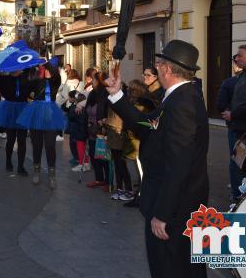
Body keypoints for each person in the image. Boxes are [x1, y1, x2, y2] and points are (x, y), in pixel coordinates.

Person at [105, 39, 209, 278]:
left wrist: (162, 214)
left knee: (172, 268)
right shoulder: (176, 96)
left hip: (175, 209)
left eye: (159, 63)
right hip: (174, 204)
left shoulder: (183, 102)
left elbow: (179, 164)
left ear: (167, 69)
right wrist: (117, 95)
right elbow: (147, 124)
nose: (157, 66)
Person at [17, 63, 66, 189]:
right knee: (37, 146)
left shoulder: (55, 81)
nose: (45, 71)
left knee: (50, 146)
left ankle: (52, 175)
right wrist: (26, 69)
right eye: (44, 69)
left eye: (47, 69)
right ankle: (37, 171)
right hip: (36, 115)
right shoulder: (36, 80)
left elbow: (56, 78)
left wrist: (45, 64)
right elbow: (25, 87)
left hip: (50, 115)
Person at [222, 44, 246, 200]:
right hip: (237, 127)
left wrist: (234, 114)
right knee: (238, 163)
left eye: (240, 55)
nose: (236, 58)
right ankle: (240, 193)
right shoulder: (244, 74)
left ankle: (240, 196)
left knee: (240, 164)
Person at [0, 70, 30, 175]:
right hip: (10, 111)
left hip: (22, 110)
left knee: (22, 141)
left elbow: (31, 88)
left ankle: (21, 166)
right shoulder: (4, 79)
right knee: (11, 139)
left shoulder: (26, 77)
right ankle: (8, 162)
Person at [123, 79, 156, 208]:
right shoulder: (140, 104)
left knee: (142, 171)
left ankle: (141, 198)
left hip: (140, 142)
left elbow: (140, 124)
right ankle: (139, 196)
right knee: (139, 171)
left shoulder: (142, 106)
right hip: (136, 141)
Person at [216, 55, 243, 201]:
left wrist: (229, 113)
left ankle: (236, 192)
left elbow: (220, 104)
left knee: (236, 159)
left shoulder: (230, 82)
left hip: (236, 128)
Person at [85, 72, 110, 189]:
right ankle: (99, 178)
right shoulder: (92, 93)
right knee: (93, 155)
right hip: (91, 129)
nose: (92, 83)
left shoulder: (106, 94)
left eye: (94, 81)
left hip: (102, 130)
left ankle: (108, 181)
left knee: (103, 155)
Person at [65, 91, 89, 172]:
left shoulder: (76, 108)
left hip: (78, 131)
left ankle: (81, 164)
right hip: (84, 130)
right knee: (84, 148)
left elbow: (71, 117)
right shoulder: (85, 108)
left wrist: (73, 107)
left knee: (80, 148)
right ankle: (86, 163)